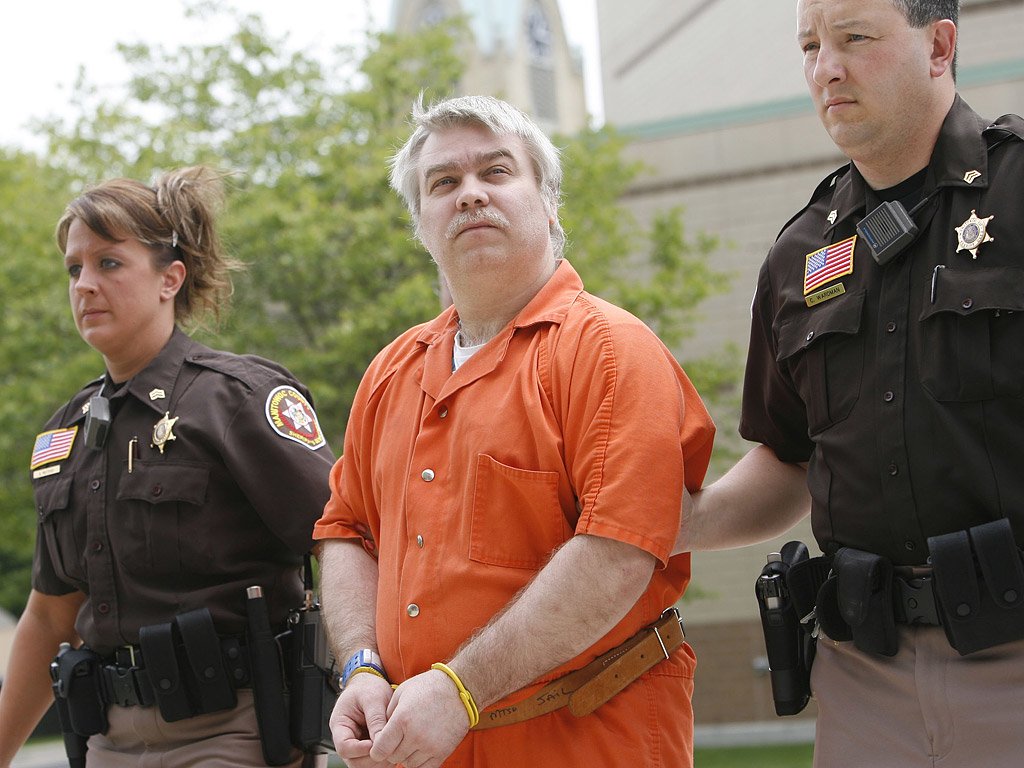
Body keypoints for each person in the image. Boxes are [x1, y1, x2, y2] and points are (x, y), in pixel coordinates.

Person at [313, 94, 715, 768]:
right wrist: (360, 666)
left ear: (550, 203)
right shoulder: (389, 372)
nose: (469, 195)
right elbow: (347, 530)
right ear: (421, 224)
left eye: (496, 173)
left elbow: (617, 553)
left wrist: (459, 692)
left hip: (586, 744)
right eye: (443, 183)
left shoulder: (610, 351)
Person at [677, 1, 1024, 766]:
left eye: (855, 39)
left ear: (939, 46)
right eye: (809, 45)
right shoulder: (802, 254)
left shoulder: (1017, 191)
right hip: (865, 678)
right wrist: (675, 523)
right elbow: (789, 458)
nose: (825, 67)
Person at [0, 166, 336, 768]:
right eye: (74, 268)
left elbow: (345, 544)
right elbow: (51, 611)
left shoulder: (236, 400)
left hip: (237, 732)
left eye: (109, 263)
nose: (84, 285)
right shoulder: (65, 433)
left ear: (169, 279)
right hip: (106, 739)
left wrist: (372, 677)